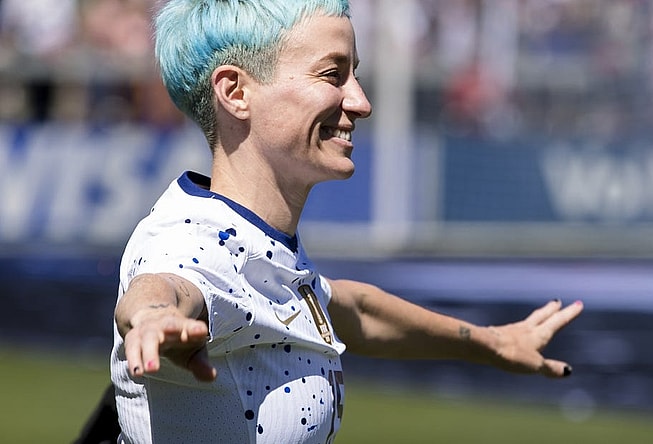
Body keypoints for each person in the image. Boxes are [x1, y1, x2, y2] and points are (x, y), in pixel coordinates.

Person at [107, 0, 584, 443]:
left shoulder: (252, 238)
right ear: (235, 92)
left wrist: (491, 342)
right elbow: (164, 285)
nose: (360, 101)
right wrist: (153, 319)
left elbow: (350, 308)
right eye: (333, 74)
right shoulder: (193, 242)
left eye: (355, 74)